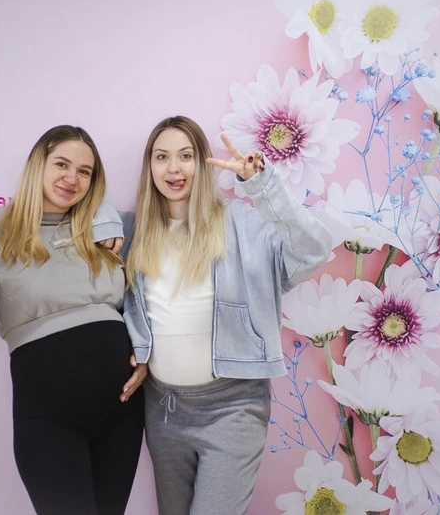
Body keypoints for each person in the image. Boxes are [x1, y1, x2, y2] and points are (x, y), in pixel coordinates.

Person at [121, 115, 332, 515]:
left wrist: (263, 187)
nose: (173, 168)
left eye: (185, 156)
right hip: (164, 408)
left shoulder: (240, 222)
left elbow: (314, 249)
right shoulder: (134, 231)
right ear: (150, 166)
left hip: (233, 408)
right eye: (162, 157)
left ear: (203, 162)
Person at [0, 125, 146, 515]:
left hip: (121, 415)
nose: (72, 178)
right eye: (62, 164)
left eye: (84, 171)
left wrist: (147, 354)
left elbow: (151, 295)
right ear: (38, 164)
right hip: (50, 423)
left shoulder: (109, 231)